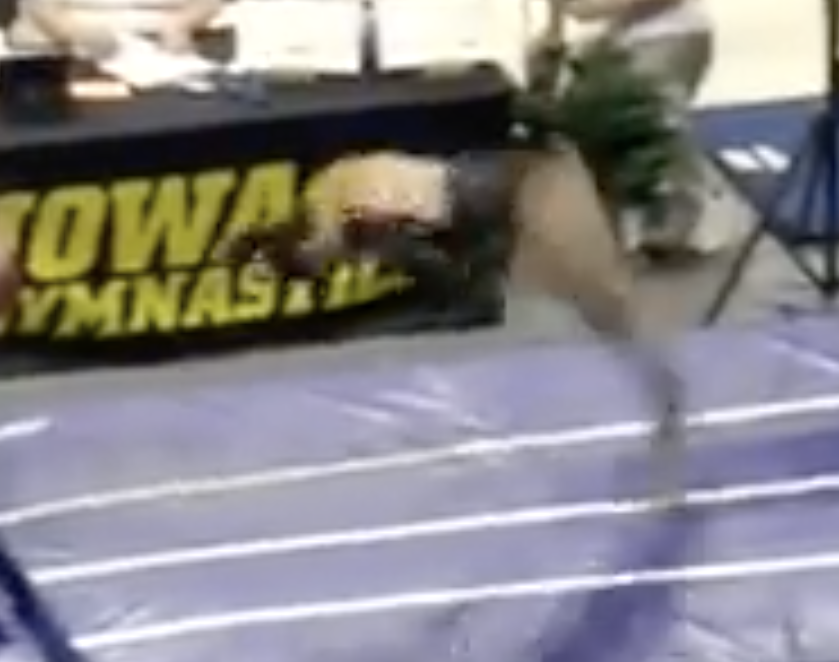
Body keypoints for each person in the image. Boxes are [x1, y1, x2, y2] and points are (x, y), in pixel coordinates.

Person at [226, 147, 687, 506]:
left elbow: (445, 273)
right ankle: (661, 404)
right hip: (502, 200)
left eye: (319, 266)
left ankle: (668, 409)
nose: (335, 268)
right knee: (584, 306)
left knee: (605, 302)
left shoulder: (357, 222)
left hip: (526, 190)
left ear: (307, 244)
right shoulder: (329, 199)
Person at [563, 0, 714, 261]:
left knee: (655, 122)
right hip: (621, 38)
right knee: (603, 126)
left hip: (670, 34)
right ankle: (614, 225)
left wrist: (604, 8)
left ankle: (677, 225)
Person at [10, 0, 225, 57]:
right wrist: (76, 33)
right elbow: (41, 10)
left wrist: (180, 25)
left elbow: (209, 3)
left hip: (161, 55)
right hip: (70, 51)